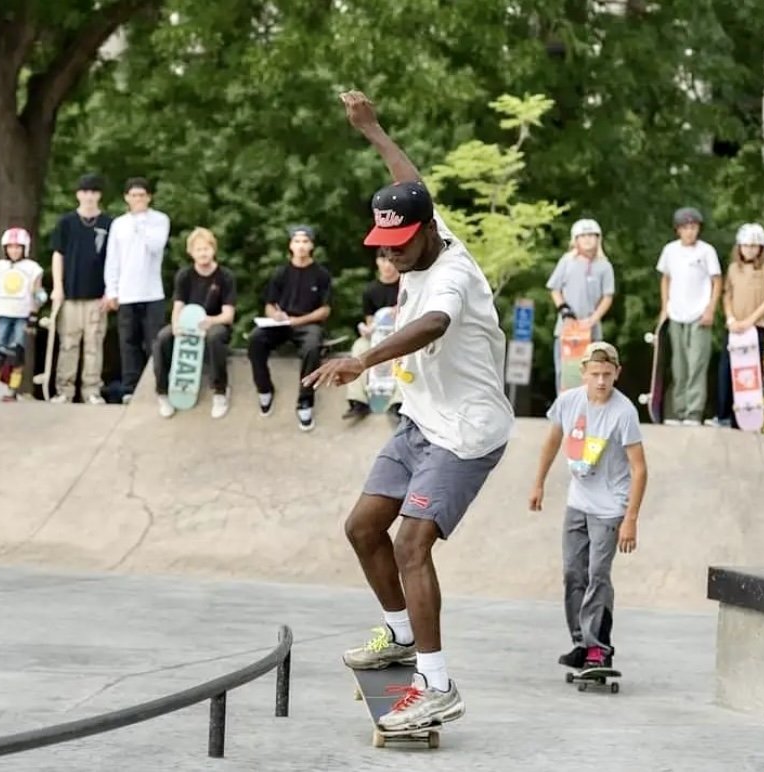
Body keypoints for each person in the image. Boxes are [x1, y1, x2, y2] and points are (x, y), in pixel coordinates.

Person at [302, 90, 512, 732]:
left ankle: (437, 684)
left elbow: (432, 324)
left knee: (410, 544)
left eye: (398, 246)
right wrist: (373, 128)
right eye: (382, 246)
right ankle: (398, 634)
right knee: (363, 529)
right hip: (419, 421)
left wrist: (361, 360)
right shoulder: (425, 219)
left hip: (466, 432)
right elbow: (409, 180)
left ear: (427, 235)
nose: (388, 256)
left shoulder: (452, 276)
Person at [528, 342, 647, 672]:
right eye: (594, 374)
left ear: (617, 374)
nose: (600, 382)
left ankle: (599, 649)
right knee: (573, 574)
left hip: (610, 508)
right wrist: (538, 482)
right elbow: (552, 440)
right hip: (577, 503)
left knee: (598, 574)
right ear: (583, 373)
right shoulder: (569, 402)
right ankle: (581, 642)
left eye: (607, 375)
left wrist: (631, 519)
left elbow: (639, 468)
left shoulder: (624, 412)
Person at [248, 225, 332, 432]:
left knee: (312, 346)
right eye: (297, 241)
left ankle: (305, 400)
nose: (301, 246)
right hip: (281, 322)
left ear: (311, 245)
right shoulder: (281, 272)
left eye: (305, 241)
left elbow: (325, 310)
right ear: (290, 245)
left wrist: (300, 321)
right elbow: (269, 304)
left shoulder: (321, 274)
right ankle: (264, 389)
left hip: (307, 323)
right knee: (255, 339)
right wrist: (274, 315)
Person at [151, 227, 238, 419]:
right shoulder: (184, 275)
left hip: (215, 323)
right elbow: (178, 305)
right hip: (188, 324)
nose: (203, 253)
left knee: (215, 337)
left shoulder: (225, 276)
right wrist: (176, 325)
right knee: (162, 338)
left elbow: (228, 315)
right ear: (191, 252)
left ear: (213, 250)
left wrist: (210, 321)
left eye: (206, 249)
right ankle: (163, 392)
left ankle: (220, 391)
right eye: (198, 250)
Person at [104, 177, 170, 403]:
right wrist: (111, 291)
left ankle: (157, 385)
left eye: (142, 195)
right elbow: (112, 259)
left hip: (152, 292)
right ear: (126, 198)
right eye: (134, 196)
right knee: (128, 342)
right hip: (127, 293)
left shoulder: (159, 220)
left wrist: (141, 224)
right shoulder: (119, 224)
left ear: (149, 197)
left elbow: (155, 245)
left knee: (154, 340)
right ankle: (130, 388)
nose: (138, 200)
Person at [50, 173, 114, 404]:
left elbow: (114, 260)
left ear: (99, 195)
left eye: (94, 192)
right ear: (78, 194)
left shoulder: (109, 224)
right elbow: (58, 255)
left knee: (94, 344)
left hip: (97, 296)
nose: (89, 196)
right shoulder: (66, 222)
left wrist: (111, 291)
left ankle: (92, 390)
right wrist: (57, 287)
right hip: (70, 295)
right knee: (68, 343)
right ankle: (64, 391)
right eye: (85, 192)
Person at [655, 207, 721, 426]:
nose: (690, 232)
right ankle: (678, 410)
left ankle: (694, 412)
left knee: (697, 364)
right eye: (686, 228)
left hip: (699, 313)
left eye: (694, 227)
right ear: (678, 230)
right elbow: (665, 278)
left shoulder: (706, 251)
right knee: (679, 364)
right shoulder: (670, 251)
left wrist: (711, 308)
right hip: (676, 313)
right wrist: (665, 307)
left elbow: (716, 281)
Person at [711, 223, 764, 428]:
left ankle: (749, 419)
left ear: (760, 248)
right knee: (726, 371)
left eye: (754, 245)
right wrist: (731, 318)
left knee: (751, 374)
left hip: (755, 328)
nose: (749, 249)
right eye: (746, 245)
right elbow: (727, 295)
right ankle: (723, 415)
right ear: (739, 247)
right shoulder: (733, 268)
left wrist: (751, 320)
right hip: (734, 329)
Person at [546, 218, 615, 392]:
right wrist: (564, 310)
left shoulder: (604, 266)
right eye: (582, 236)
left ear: (598, 239)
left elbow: (608, 296)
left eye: (591, 235)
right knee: (565, 371)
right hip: (568, 327)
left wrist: (594, 318)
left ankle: (588, 412)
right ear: (575, 239)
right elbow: (554, 288)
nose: (587, 239)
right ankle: (563, 411)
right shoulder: (567, 261)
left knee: (591, 370)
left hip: (590, 327)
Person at [0, 227, 45, 401]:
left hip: (22, 313)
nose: (14, 250)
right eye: (10, 247)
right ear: (5, 248)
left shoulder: (32, 268)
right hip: (2, 313)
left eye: (18, 247)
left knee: (16, 353)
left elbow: (37, 292)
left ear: (25, 248)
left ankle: (13, 389)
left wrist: (34, 315)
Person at [343, 247, 401, 423]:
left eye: (391, 261)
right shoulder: (370, 290)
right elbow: (370, 321)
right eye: (384, 260)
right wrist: (367, 331)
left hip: (402, 337)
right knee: (359, 346)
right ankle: (357, 401)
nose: (387, 265)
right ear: (377, 262)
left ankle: (398, 402)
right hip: (378, 337)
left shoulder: (408, 285)